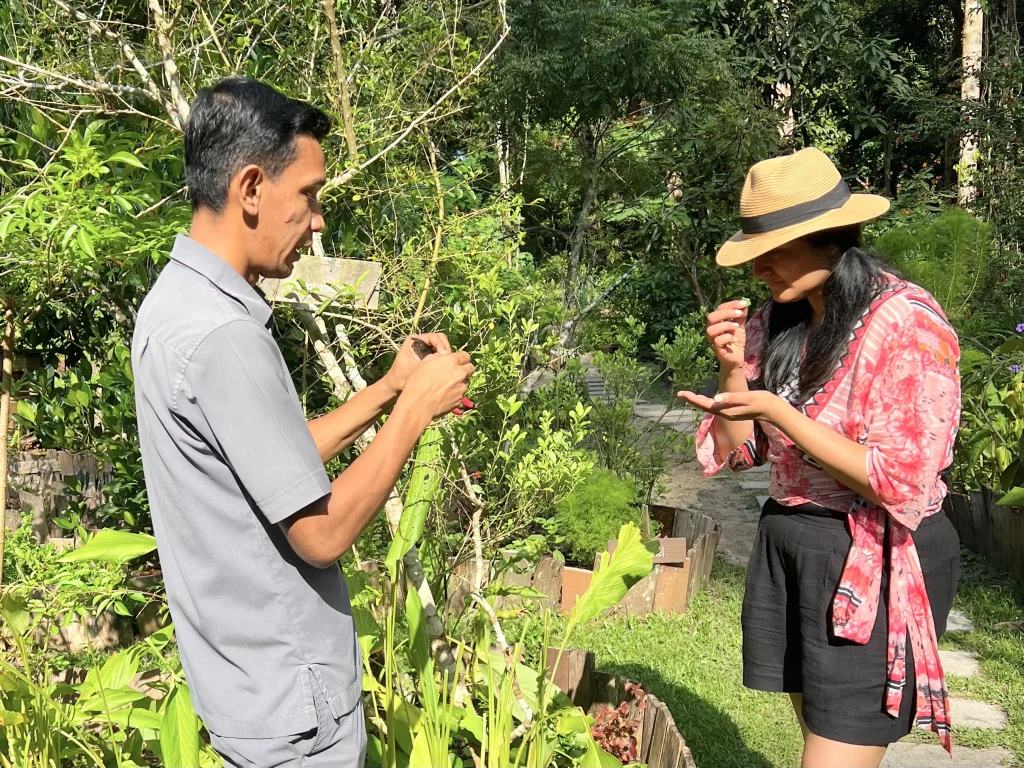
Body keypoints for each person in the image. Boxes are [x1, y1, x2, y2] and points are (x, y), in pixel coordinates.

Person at [132, 77, 473, 768]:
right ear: (252, 188)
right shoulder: (224, 334)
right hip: (295, 715)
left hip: (247, 695)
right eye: (310, 196)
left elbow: (271, 465)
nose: (317, 221)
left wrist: (385, 390)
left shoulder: (174, 305)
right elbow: (320, 533)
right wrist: (415, 410)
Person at [677, 147, 961, 768]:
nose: (760, 271)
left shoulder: (907, 323)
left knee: (835, 752)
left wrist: (783, 414)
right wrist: (732, 371)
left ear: (830, 240)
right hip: (793, 545)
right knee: (820, 735)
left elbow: (899, 480)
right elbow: (737, 453)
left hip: (872, 558)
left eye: (774, 251)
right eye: (756, 254)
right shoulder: (778, 323)